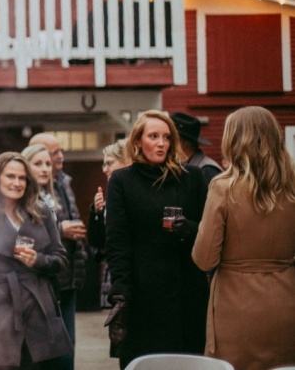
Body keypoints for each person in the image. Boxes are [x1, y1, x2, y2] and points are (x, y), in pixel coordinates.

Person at [192, 106, 295, 370]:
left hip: (235, 307)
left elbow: (204, 259)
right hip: (287, 299)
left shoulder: (223, 187)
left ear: (234, 140)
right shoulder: (292, 187)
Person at [105, 110, 208, 369]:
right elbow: (117, 241)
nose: (161, 143)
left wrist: (190, 228)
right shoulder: (122, 180)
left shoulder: (191, 178)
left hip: (187, 291)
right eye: (154, 136)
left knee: (186, 363)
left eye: (166, 137)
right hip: (143, 295)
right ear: (138, 141)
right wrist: (121, 295)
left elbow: (209, 229)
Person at [0, 152, 72, 369]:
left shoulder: (42, 212)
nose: (17, 183)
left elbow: (60, 259)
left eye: (22, 178)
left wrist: (38, 260)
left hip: (38, 312)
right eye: (10, 176)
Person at [28, 133, 85, 370]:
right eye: (53, 153)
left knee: (67, 343)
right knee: (47, 348)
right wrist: (61, 230)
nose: (59, 157)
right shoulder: (25, 193)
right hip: (43, 278)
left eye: (50, 160)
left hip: (67, 271)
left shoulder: (62, 183)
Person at [88, 140, 128, 308]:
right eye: (103, 164)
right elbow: (98, 242)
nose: (104, 169)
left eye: (109, 163)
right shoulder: (112, 192)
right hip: (114, 272)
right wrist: (97, 213)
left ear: (127, 161)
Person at [170, 112, 223, 186]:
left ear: (179, 141)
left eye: (168, 137)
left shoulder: (207, 171)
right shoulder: (181, 166)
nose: (162, 142)